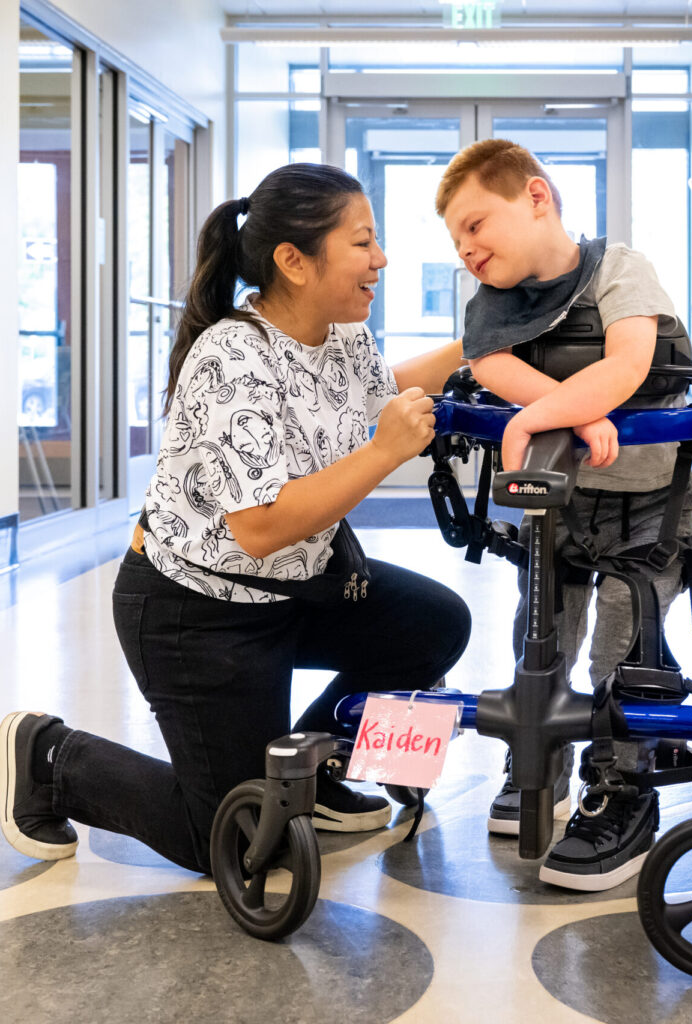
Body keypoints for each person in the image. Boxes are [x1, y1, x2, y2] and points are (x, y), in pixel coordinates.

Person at [1, 163, 471, 874]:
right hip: (197, 612)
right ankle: (47, 756)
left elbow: (386, 386)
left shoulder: (341, 337)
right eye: (363, 243)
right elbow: (261, 526)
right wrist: (383, 453)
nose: (382, 259)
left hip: (299, 589)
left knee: (437, 625)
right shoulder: (230, 357)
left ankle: (312, 775)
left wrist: (483, 346)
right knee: (233, 841)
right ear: (293, 261)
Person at [436, 139, 692, 892]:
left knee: (619, 637)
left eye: (476, 225)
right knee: (541, 628)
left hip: (648, 496)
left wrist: (543, 415)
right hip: (561, 499)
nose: (467, 250)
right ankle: (538, 763)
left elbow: (629, 365)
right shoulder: (493, 305)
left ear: (536, 198)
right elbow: (491, 367)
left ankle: (622, 786)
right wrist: (568, 413)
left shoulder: (621, 268)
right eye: (456, 241)